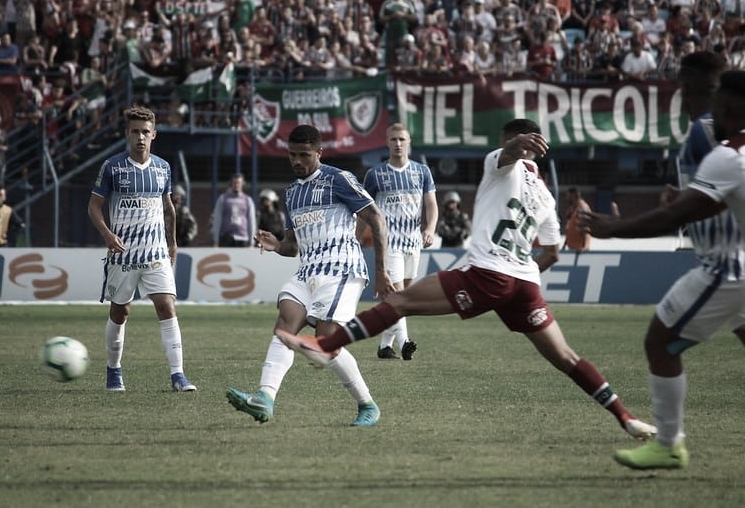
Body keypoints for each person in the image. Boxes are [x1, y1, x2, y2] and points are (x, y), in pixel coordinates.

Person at [278, 118, 657, 444]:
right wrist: (518, 275)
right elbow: (553, 253)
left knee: (399, 301)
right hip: (525, 285)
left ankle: (327, 345)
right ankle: (625, 416)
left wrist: (513, 148)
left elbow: (507, 156)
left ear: (510, 143)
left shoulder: (499, 164)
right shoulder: (545, 195)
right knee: (567, 358)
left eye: (506, 142)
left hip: (487, 274)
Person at [578, 67, 745, 472]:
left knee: (661, 342)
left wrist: (613, 228)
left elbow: (677, 216)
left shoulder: (724, 153)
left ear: (723, 104)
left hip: (728, 267)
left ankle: (669, 443)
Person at [226, 124, 393, 427]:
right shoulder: (291, 194)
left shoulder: (338, 179)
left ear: (319, 152)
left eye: (304, 154)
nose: (297, 161)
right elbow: (292, 246)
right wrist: (276, 244)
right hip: (308, 271)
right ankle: (264, 398)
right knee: (285, 325)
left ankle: (367, 404)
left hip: (342, 269)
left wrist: (381, 270)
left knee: (326, 341)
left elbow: (376, 218)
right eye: (292, 155)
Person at [87, 105, 196, 393]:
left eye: (145, 132)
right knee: (121, 312)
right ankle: (113, 370)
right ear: (127, 134)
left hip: (156, 252)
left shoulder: (163, 168)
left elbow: (168, 208)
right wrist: (108, 235)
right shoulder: (113, 167)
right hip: (123, 253)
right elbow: (94, 207)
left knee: (167, 306)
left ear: (154, 134)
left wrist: (172, 243)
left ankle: (178, 375)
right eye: (135, 131)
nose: (140, 137)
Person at [362, 122, 438, 360]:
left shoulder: (422, 172)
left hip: (413, 243)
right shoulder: (375, 175)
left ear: (409, 143)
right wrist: (354, 239)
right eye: (393, 139)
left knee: (400, 296)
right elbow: (364, 211)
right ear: (387, 142)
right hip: (388, 244)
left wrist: (430, 228)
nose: (398, 144)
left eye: (402, 139)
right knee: (396, 296)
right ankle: (405, 342)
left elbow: (431, 204)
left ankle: (385, 346)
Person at [210, 172, 256, 247]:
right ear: (231, 183)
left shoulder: (247, 200)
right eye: (234, 183)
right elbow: (217, 220)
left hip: (243, 239)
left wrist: (252, 241)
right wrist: (216, 240)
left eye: (238, 183)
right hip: (226, 238)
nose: (236, 185)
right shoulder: (223, 199)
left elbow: (251, 221)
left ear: (242, 184)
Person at [562, 187, 591, 252]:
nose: (566, 198)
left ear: (573, 196)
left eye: (568, 196)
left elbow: (586, 228)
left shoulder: (582, 208)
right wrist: (564, 245)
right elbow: (569, 228)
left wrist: (585, 247)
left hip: (580, 249)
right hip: (572, 248)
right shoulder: (572, 209)